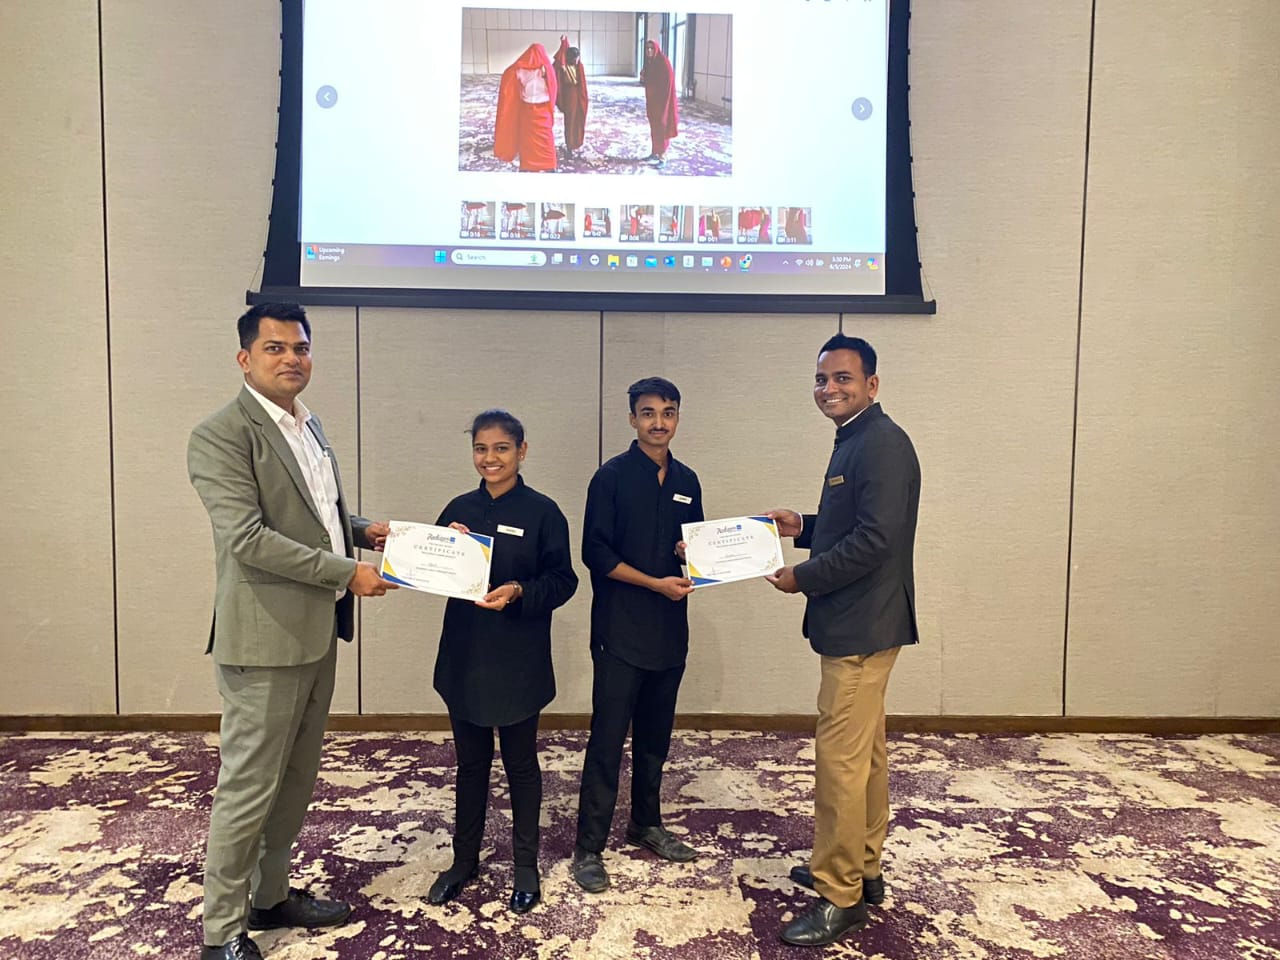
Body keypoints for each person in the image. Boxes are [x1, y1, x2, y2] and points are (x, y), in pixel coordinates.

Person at [187, 303, 396, 960]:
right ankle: (221, 931)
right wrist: (347, 572)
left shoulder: (309, 424)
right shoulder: (221, 435)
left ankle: (270, 896)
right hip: (264, 640)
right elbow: (249, 538)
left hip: (315, 631)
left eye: (300, 347)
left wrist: (364, 531)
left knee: (296, 777)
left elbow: (316, 515)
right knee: (249, 786)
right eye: (274, 347)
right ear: (245, 358)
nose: (291, 358)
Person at [764, 334, 921, 948]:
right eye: (822, 379)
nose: (829, 388)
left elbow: (875, 540)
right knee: (867, 756)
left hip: (862, 627)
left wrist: (801, 576)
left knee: (841, 764)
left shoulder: (880, 443)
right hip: (864, 623)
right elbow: (854, 523)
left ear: (871, 385)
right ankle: (864, 866)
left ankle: (840, 893)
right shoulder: (858, 438)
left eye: (843, 378)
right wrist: (803, 527)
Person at [426, 410, 578, 915]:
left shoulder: (543, 512)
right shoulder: (458, 509)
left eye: (501, 448)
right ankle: (463, 861)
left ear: (522, 451)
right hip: (466, 656)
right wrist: (447, 545)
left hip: (518, 658)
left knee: (521, 765)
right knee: (470, 766)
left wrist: (517, 590)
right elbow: (429, 570)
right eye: (481, 448)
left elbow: (564, 581)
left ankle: (525, 866)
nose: (490, 458)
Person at [571, 378, 702, 893]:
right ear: (632, 419)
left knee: (655, 739)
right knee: (607, 741)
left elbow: (697, 546)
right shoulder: (611, 477)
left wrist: (693, 556)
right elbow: (595, 554)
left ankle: (646, 823)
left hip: (670, 630)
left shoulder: (688, 479)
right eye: (648, 413)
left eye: (668, 412)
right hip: (620, 630)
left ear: (678, 418)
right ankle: (589, 846)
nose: (659, 422)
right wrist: (654, 582)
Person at [494, 43, 558, 172]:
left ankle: (527, 165)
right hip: (543, 111)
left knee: (527, 140)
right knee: (546, 140)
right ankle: (549, 165)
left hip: (527, 111)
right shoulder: (547, 70)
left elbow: (510, 76)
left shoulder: (520, 71)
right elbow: (554, 87)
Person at [641, 39, 679, 166]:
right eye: (647, 48)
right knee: (654, 126)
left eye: (652, 48)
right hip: (653, 102)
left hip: (663, 103)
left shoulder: (663, 62)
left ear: (656, 49)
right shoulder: (650, 62)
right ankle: (655, 152)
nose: (649, 50)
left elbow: (668, 84)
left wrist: (664, 105)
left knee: (662, 127)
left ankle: (663, 156)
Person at [553, 35, 589, 158]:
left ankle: (575, 142)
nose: (578, 59)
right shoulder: (563, 67)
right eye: (576, 57)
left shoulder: (578, 66)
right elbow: (561, 56)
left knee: (577, 120)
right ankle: (569, 145)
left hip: (577, 95)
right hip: (570, 96)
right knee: (570, 121)